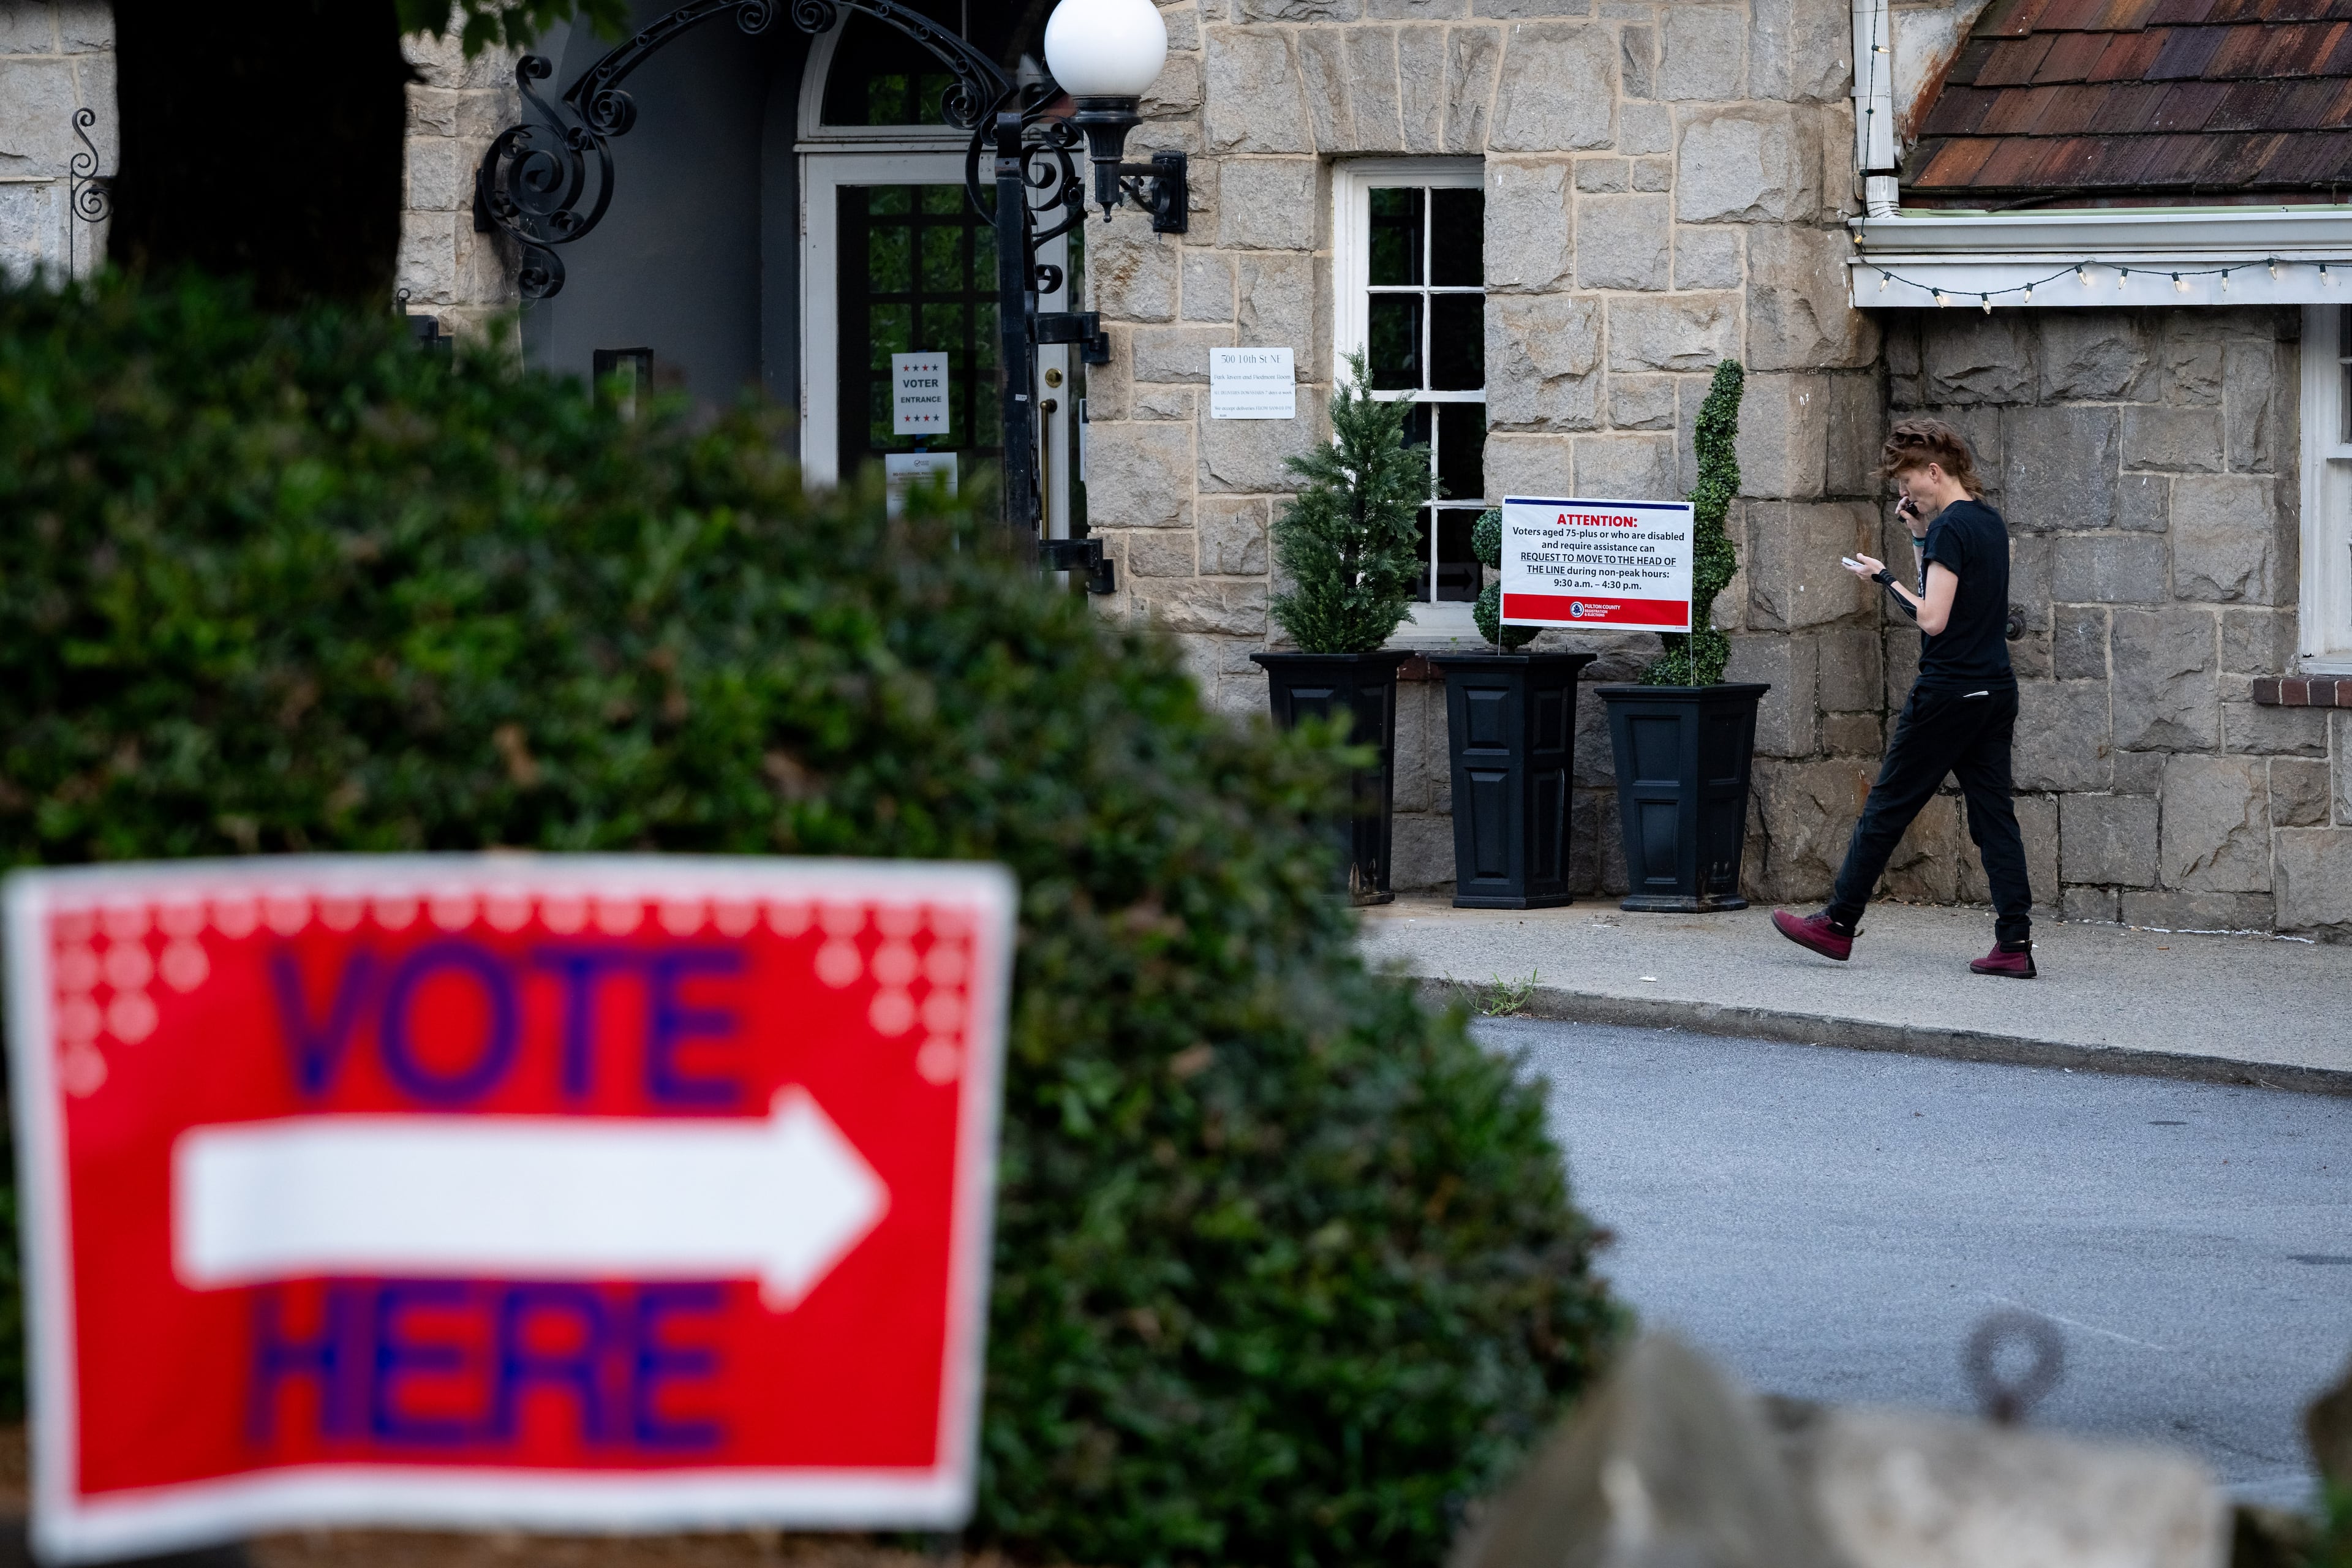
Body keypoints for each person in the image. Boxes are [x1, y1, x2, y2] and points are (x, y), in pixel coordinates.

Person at [1771, 418, 2037, 978]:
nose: (1903, 494)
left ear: (1934, 472)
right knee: (1995, 820)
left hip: (1947, 693)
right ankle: (2014, 944)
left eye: (1907, 483)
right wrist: (1918, 537)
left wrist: (1883, 579)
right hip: (1993, 689)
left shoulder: (1953, 530)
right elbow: (1949, 594)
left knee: (1886, 810)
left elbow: (1933, 617)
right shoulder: (1986, 523)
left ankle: (1838, 924)